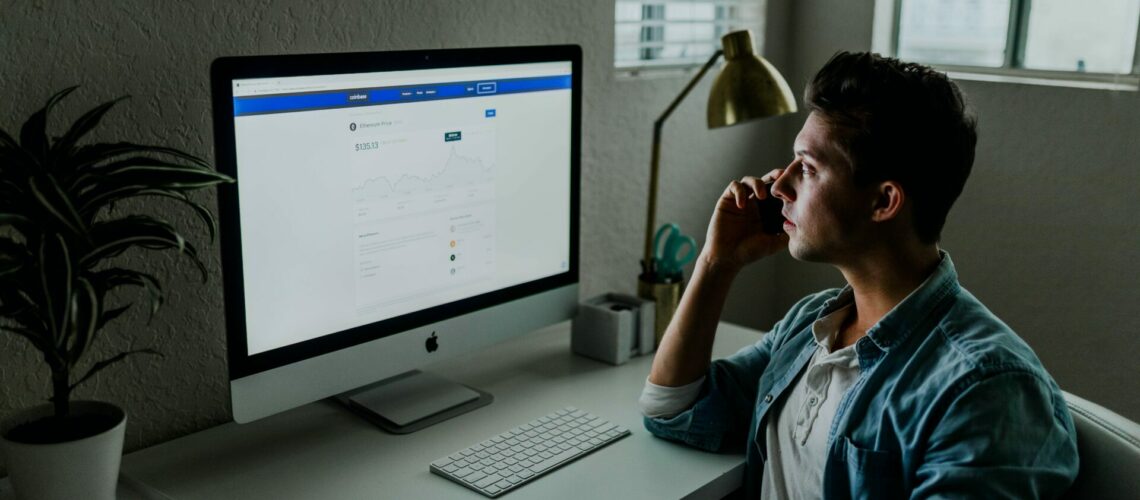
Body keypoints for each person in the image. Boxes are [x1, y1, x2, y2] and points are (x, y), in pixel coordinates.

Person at [639, 51, 1079, 498]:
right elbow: (673, 410)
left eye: (808, 168)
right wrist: (717, 264)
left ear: (883, 202)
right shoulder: (812, 326)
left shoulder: (985, 391)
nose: (778, 185)